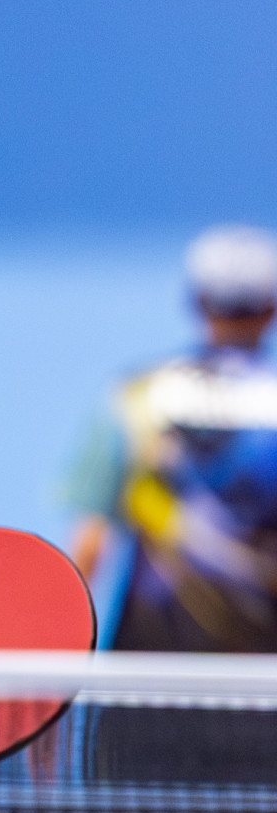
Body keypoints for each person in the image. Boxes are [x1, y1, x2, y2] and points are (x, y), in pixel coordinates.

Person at [68, 225, 277, 652]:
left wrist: (53, 664)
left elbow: (92, 539)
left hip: (153, 666)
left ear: (197, 302)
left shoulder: (137, 396)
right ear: (271, 308)